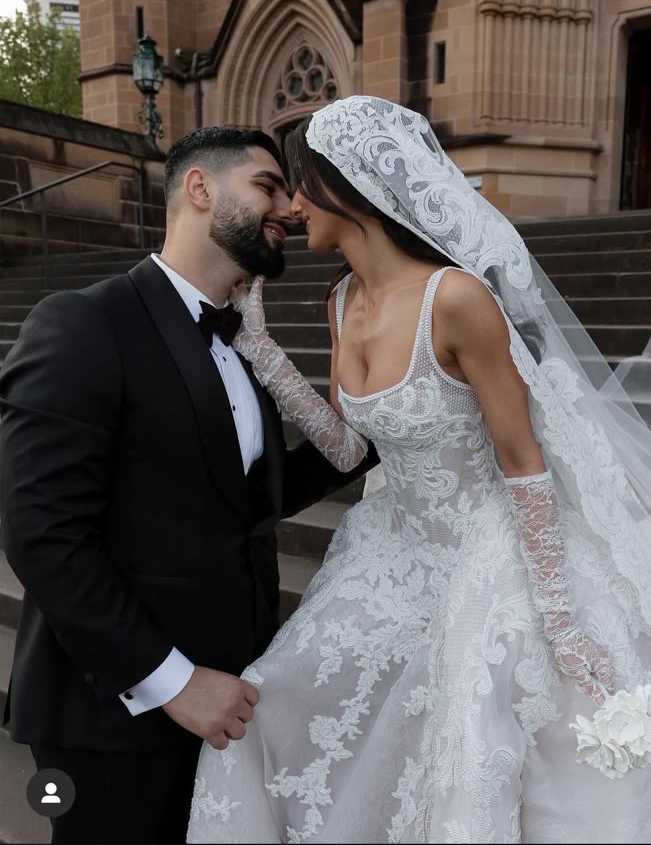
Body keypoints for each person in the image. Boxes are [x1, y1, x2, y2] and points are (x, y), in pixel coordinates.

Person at [187, 98, 651, 844]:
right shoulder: (341, 298)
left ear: (347, 186)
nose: (288, 208)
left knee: (475, 746)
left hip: (492, 554)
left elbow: (524, 461)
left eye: (301, 185)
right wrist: (261, 348)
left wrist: (560, 617)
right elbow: (350, 449)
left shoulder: (457, 299)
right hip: (390, 550)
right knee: (273, 698)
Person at [0, 126, 375, 845]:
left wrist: (388, 418)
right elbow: (42, 535)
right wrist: (172, 681)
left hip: (233, 698)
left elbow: (248, 500)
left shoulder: (243, 337)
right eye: (268, 186)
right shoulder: (82, 324)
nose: (290, 211)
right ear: (199, 189)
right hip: (114, 717)